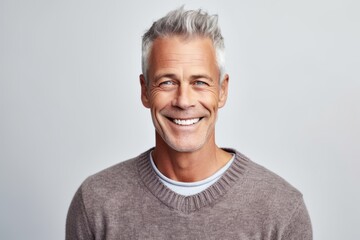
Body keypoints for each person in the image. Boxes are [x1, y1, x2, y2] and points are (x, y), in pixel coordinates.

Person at [66, 7, 312, 240]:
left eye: (200, 82)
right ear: (144, 91)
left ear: (223, 90)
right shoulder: (96, 202)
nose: (184, 101)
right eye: (167, 82)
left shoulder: (281, 209)